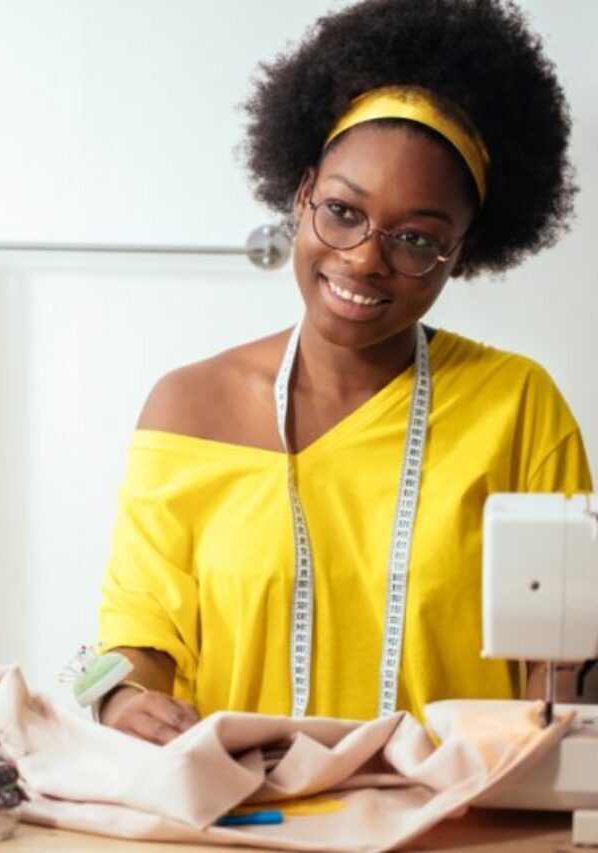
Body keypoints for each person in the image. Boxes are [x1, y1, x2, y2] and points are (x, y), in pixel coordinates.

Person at [96, 0, 594, 746]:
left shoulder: (516, 405)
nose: (365, 257)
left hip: (453, 823)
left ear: (461, 251)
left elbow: (565, 666)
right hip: (244, 819)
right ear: (301, 195)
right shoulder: (187, 406)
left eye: (417, 238)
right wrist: (116, 699)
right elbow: (133, 639)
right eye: (342, 210)